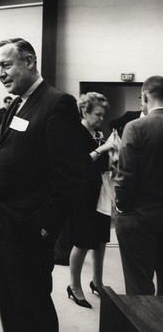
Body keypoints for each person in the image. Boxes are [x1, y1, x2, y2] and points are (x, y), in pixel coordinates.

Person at [0, 38, 85, 331]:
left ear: (29, 62)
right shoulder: (17, 103)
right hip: (0, 228)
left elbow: (70, 176)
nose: (0, 73)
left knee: (32, 310)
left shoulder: (56, 103)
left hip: (27, 233)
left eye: (6, 65)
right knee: (10, 306)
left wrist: (44, 227)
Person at [115, 75, 163, 295]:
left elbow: (126, 173)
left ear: (144, 96)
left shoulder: (136, 127)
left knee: (139, 288)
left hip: (140, 216)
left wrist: (121, 206)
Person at [68, 92, 115, 308]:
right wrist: (103, 149)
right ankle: (74, 286)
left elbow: (99, 163)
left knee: (100, 240)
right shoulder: (75, 132)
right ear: (85, 111)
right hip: (82, 195)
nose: (101, 119)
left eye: (103, 115)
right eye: (98, 114)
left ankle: (97, 281)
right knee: (82, 241)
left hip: (100, 194)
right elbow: (78, 164)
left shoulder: (97, 133)